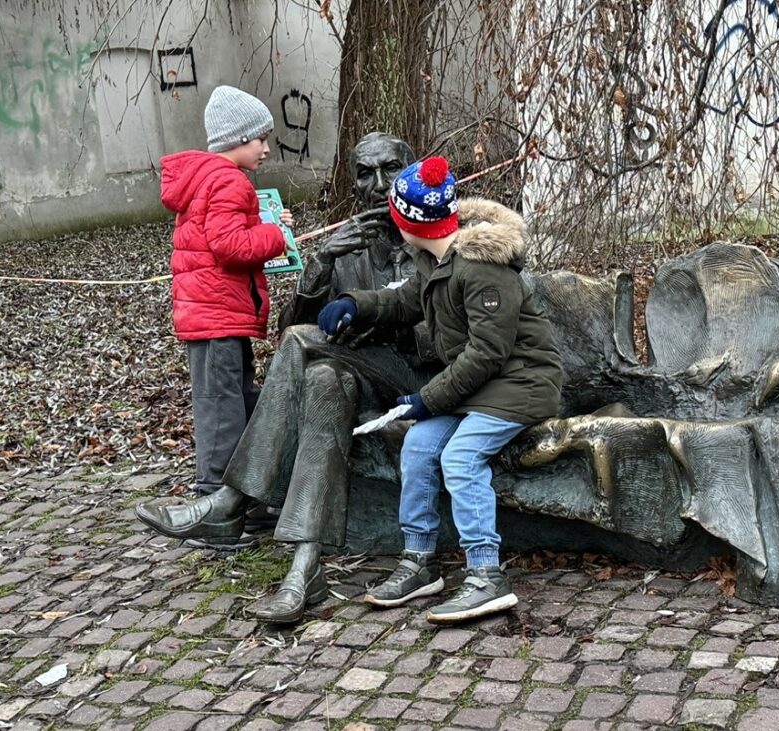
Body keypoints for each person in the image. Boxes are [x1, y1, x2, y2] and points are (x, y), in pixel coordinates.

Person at [135, 133, 426, 624]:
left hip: (416, 382)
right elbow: (298, 321)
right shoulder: (348, 247)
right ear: (352, 184)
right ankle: (305, 566)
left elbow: (458, 329)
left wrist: (378, 323)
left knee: (302, 346)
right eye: (364, 174)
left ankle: (230, 500)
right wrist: (320, 264)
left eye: (391, 169)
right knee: (321, 381)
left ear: (413, 172)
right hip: (357, 383)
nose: (378, 185)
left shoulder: (437, 236)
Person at [318, 156, 563, 623]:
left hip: (520, 384)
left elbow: (488, 354)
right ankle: (419, 559)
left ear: (409, 222)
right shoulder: (434, 260)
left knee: (459, 457)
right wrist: (356, 304)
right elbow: (405, 300)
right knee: (418, 445)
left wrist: (427, 399)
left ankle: (486, 573)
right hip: (479, 389)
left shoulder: (482, 268)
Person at [159, 85, 291, 498]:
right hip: (217, 315)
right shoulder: (229, 183)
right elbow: (231, 247)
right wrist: (276, 236)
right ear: (236, 139)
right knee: (222, 407)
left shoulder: (209, 180)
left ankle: (243, 493)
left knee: (233, 397)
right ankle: (216, 497)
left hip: (216, 312)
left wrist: (269, 223)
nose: (266, 148)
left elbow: (224, 233)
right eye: (260, 139)